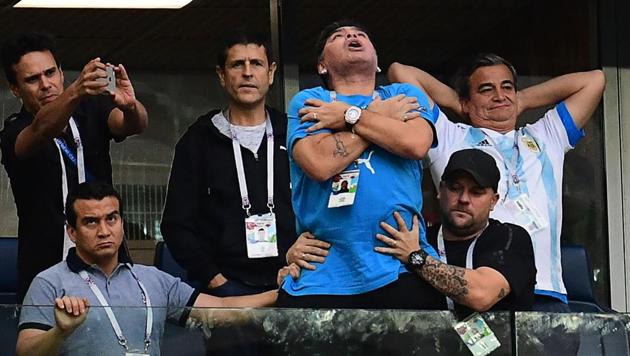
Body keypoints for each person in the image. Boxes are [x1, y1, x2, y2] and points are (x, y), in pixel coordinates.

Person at [388, 53, 605, 312]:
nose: (499, 96)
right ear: (467, 101)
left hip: (545, 294)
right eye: (486, 90)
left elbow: (594, 80)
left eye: (507, 87)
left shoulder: (546, 135)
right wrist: (458, 104)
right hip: (475, 290)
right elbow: (400, 72)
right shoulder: (449, 136)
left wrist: (521, 100)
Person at [277, 20, 444, 309]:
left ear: (377, 63)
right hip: (324, 275)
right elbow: (319, 162)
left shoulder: (404, 95)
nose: (352, 36)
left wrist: (348, 116)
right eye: (337, 37)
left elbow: (415, 144)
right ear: (321, 65)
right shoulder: (310, 101)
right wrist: (378, 115)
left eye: (360, 34)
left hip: (401, 265)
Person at [16, 182, 277, 356]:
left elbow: (221, 310)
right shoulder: (49, 282)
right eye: (91, 222)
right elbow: (25, 352)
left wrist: (281, 293)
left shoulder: (152, 279)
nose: (104, 231)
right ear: (72, 232)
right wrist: (61, 332)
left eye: (112, 218)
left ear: (121, 222)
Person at [0, 32, 148, 302]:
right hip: (47, 266)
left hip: (107, 260)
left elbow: (132, 125)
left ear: (60, 72)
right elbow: (42, 129)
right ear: (15, 89)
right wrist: (75, 91)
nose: (46, 84)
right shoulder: (14, 130)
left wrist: (130, 106)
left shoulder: (90, 109)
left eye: (50, 73)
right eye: (33, 79)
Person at [375, 149, 536, 315]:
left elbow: (482, 295)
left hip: (503, 341)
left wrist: (416, 257)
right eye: (455, 188)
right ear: (440, 190)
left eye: (476, 192)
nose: (464, 199)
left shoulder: (509, 237)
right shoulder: (419, 239)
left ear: (493, 201)